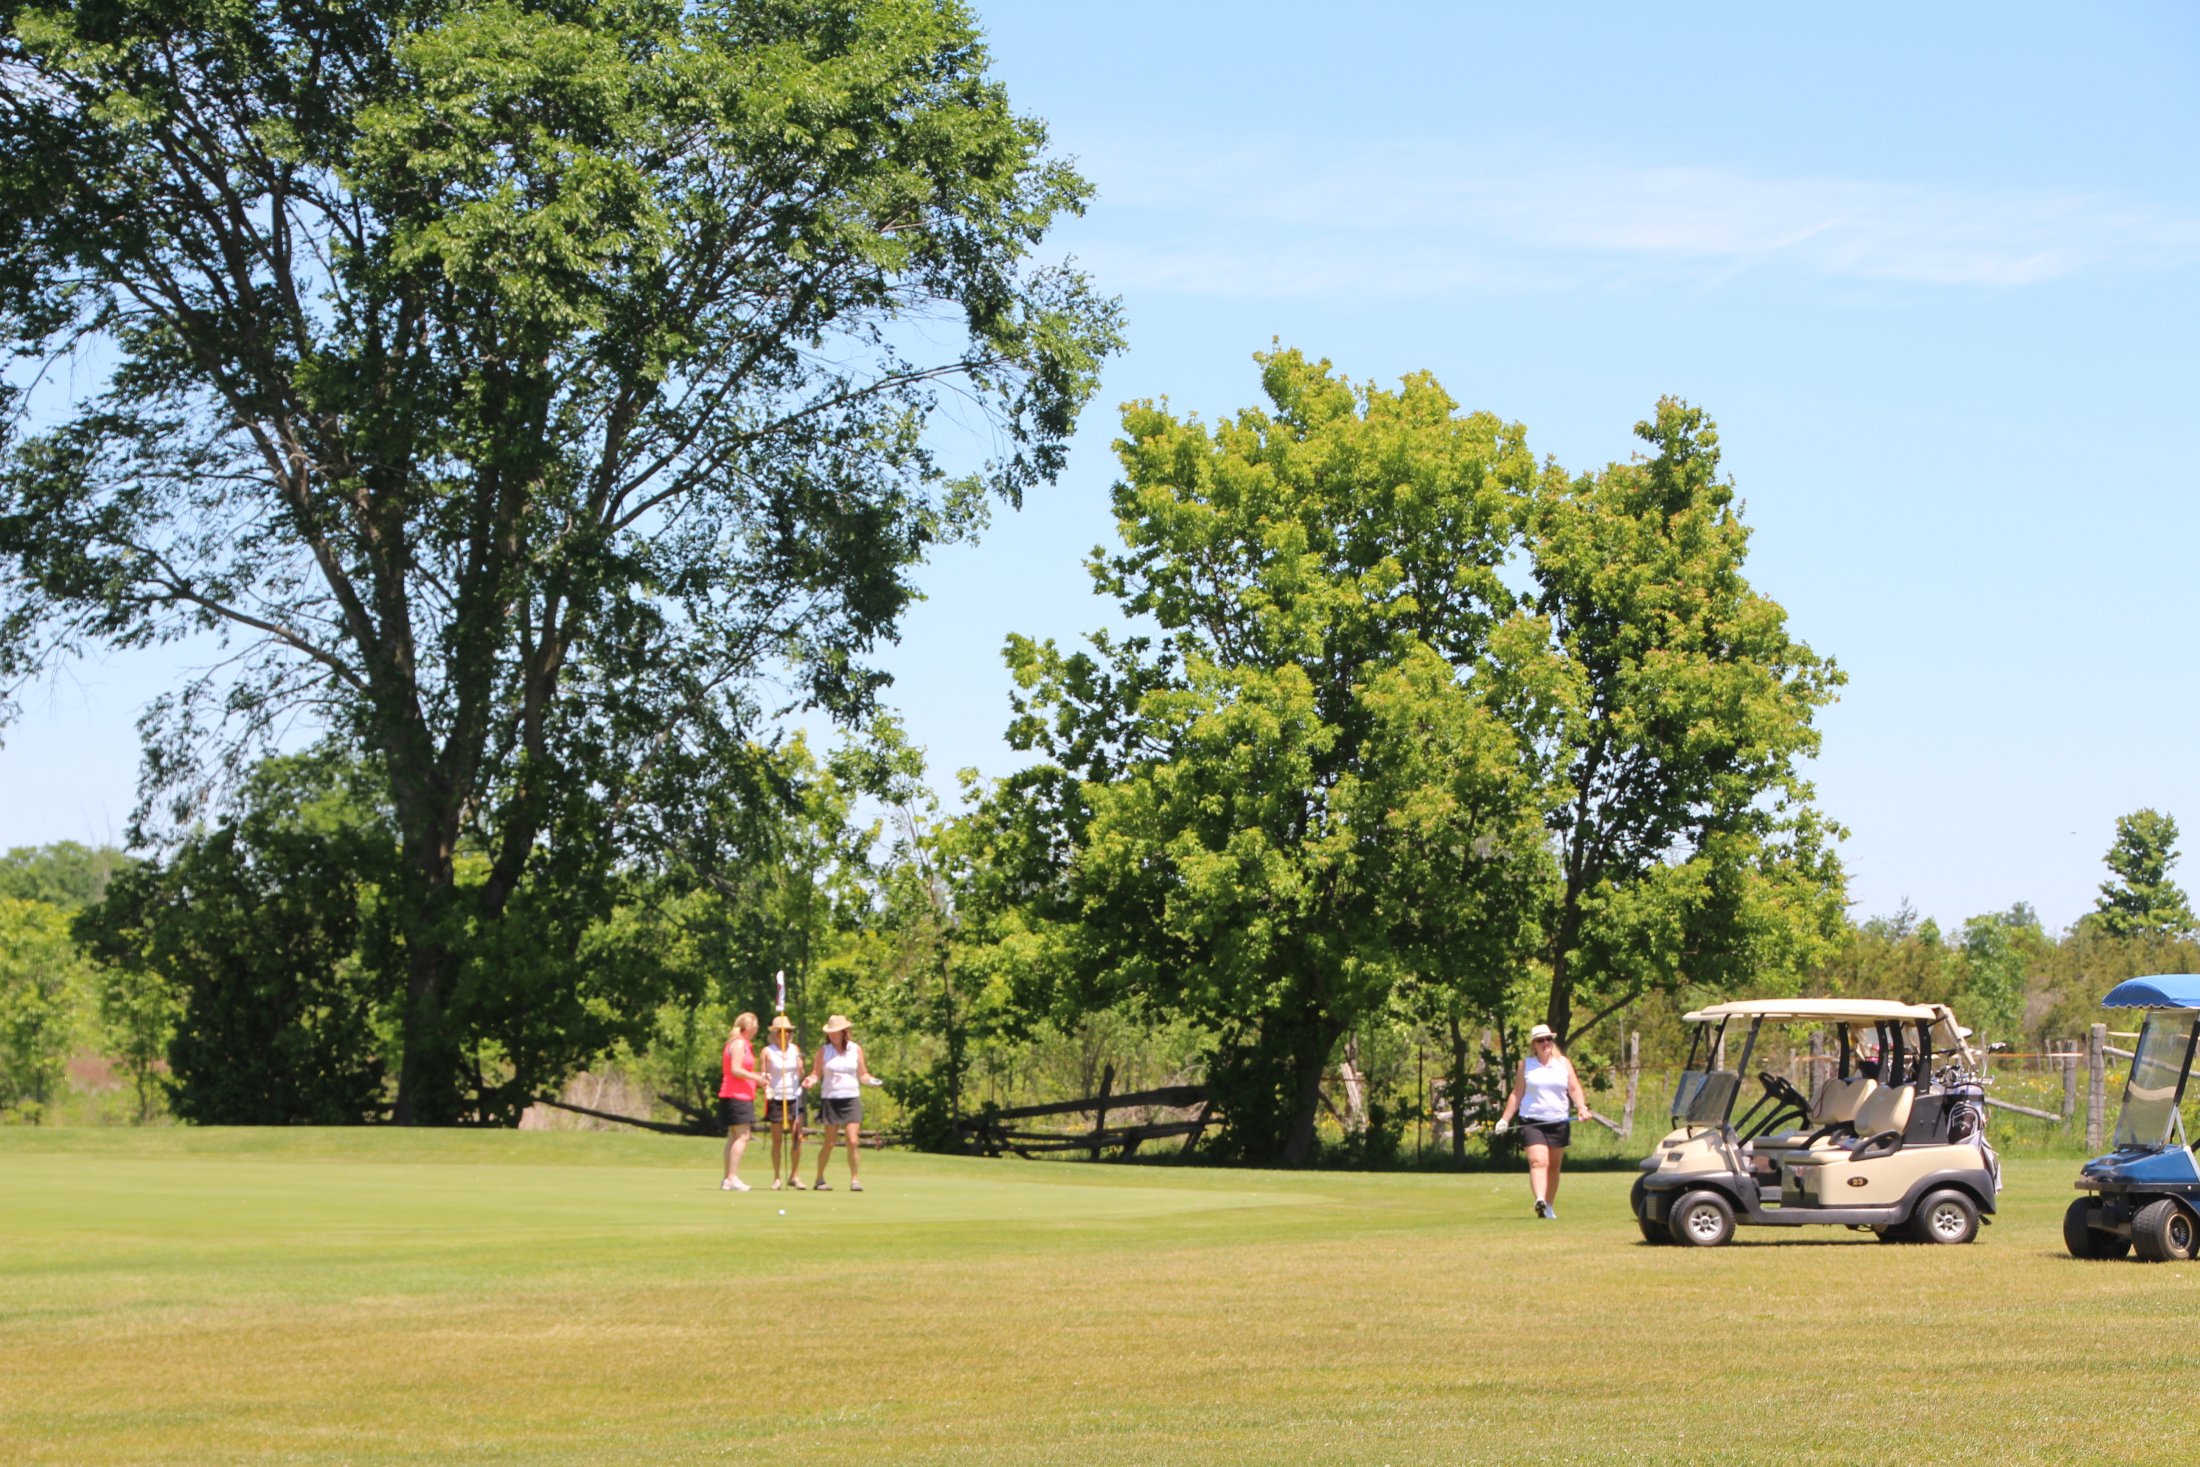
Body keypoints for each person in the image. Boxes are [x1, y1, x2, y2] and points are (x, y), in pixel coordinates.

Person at [1494, 1022, 1589, 1219]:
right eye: (1540, 1040)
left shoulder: (1563, 1063)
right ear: (1534, 1044)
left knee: (1553, 1166)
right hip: (1532, 1121)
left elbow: (1574, 1088)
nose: (1545, 1043)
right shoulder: (1526, 1065)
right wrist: (1504, 1119)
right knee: (1539, 1161)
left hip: (1558, 1121)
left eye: (1548, 1039)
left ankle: (1548, 1205)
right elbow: (1517, 1093)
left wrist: (1581, 1107)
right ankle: (1539, 1199)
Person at [805, 1014, 883, 1191]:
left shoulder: (855, 1049)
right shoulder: (824, 1051)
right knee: (829, 1142)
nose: (833, 1035)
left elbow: (863, 1074)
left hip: (851, 1097)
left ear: (844, 1032)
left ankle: (855, 1179)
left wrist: (872, 1081)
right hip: (831, 1098)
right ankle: (819, 1179)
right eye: (830, 1032)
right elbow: (816, 1073)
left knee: (852, 1140)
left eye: (836, 1032)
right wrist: (810, 1080)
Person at [718, 1012, 763, 1192]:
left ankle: (728, 1178)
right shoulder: (738, 1044)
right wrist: (756, 1077)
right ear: (750, 1027)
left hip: (736, 1094)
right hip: (736, 1095)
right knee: (743, 1136)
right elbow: (735, 1069)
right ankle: (731, 1177)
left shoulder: (739, 1043)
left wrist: (756, 1077)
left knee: (734, 1136)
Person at [762, 1013, 806, 1191]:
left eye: (788, 1031)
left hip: (793, 1096)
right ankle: (777, 1177)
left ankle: (794, 1175)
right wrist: (766, 1084)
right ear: (774, 1033)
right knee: (777, 1139)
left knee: (797, 1137)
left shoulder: (795, 1050)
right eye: (781, 1031)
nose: (785, 1034)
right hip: (777, 1097)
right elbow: (764, 1074)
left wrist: (801, 1068)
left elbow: (801, 1074)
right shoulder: (768, 1051)